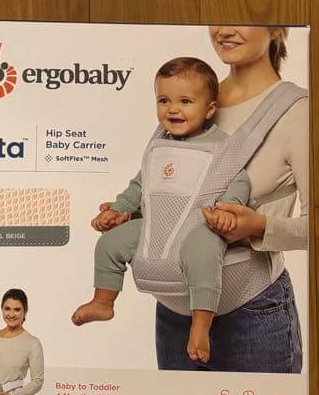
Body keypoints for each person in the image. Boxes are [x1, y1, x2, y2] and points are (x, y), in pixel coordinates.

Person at [71, 57, 249, 363]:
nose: (173, 109)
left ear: (210, 109)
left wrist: (227, 211)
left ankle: (201, 324)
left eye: (185, 101)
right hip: (155, 225)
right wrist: (119, 209)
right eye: (164, 100)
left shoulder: (222, 146)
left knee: (204, 254)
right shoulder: (158, 146)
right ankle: (104, 301)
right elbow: (140, 186)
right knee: (110, 243)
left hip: (200, 226)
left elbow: (238, 179)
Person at [155, 25, 308, 372]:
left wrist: (259, 226)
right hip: (174, 312)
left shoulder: (297, 112)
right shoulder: (187, 96)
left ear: (276, 27)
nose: (224, 30)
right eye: (218, 15)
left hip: (251, 314)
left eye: (242, 17)